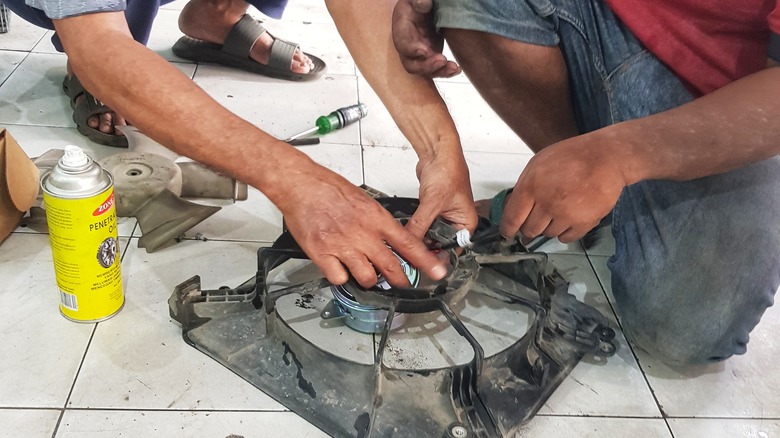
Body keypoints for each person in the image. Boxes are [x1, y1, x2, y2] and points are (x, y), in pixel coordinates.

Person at [327, 0, 780, 366]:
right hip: (595, 15)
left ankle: (606, 182)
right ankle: (583, 190)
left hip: (732, 87)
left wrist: (622, 155)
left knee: (686, 328)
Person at [2, 0, 450, 288]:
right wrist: (293, 176)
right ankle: (93, 58)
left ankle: (217, 12)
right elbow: (100, 43)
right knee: (101, 52)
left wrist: (439, 151)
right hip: (93, 17)